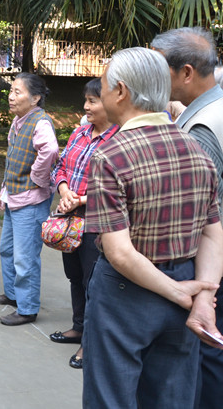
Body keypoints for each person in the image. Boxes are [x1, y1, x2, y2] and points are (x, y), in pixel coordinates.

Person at [82, 46, 223, 408]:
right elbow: (212, 232)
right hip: (188, 286)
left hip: (126, 293)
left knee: (111, 396)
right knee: (172, 397)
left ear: (121, 91)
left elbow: (119, 253)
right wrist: (202, 298)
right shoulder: (197, 150)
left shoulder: (110, 156)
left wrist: (180, 293)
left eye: (103, 85)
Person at [151, 27, 223, 408]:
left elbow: (194, 211)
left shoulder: (201, 130)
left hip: (209, 262)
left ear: (187, 73)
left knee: (207, 355)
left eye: (159, 68)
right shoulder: (214, 109)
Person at [48, 78, 119, 369]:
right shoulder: (80, 132)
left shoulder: (119, 139)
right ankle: (78, 327)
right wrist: (65, 191)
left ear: (111, 102)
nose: (86, 107)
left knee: (94, 283)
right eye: (86, 100)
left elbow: (118, 187)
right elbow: (61, 166)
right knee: (75, 276)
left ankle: (90, 343)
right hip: (70, 220)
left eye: (93, 101)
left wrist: (80, 199)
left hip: (96, 223)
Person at [0, 72, 59, 326]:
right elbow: (12, 159)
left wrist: (37, 178)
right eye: (11, 91)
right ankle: (13, 294)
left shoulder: (40, 122)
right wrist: (4, 190)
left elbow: (50, 150)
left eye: (18, 92)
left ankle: (27, 309)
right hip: (14, 197)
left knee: (25, 257)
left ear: (35, 98)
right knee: (7, 250)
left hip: (31, 201)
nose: (11, 96)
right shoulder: (19, 121)